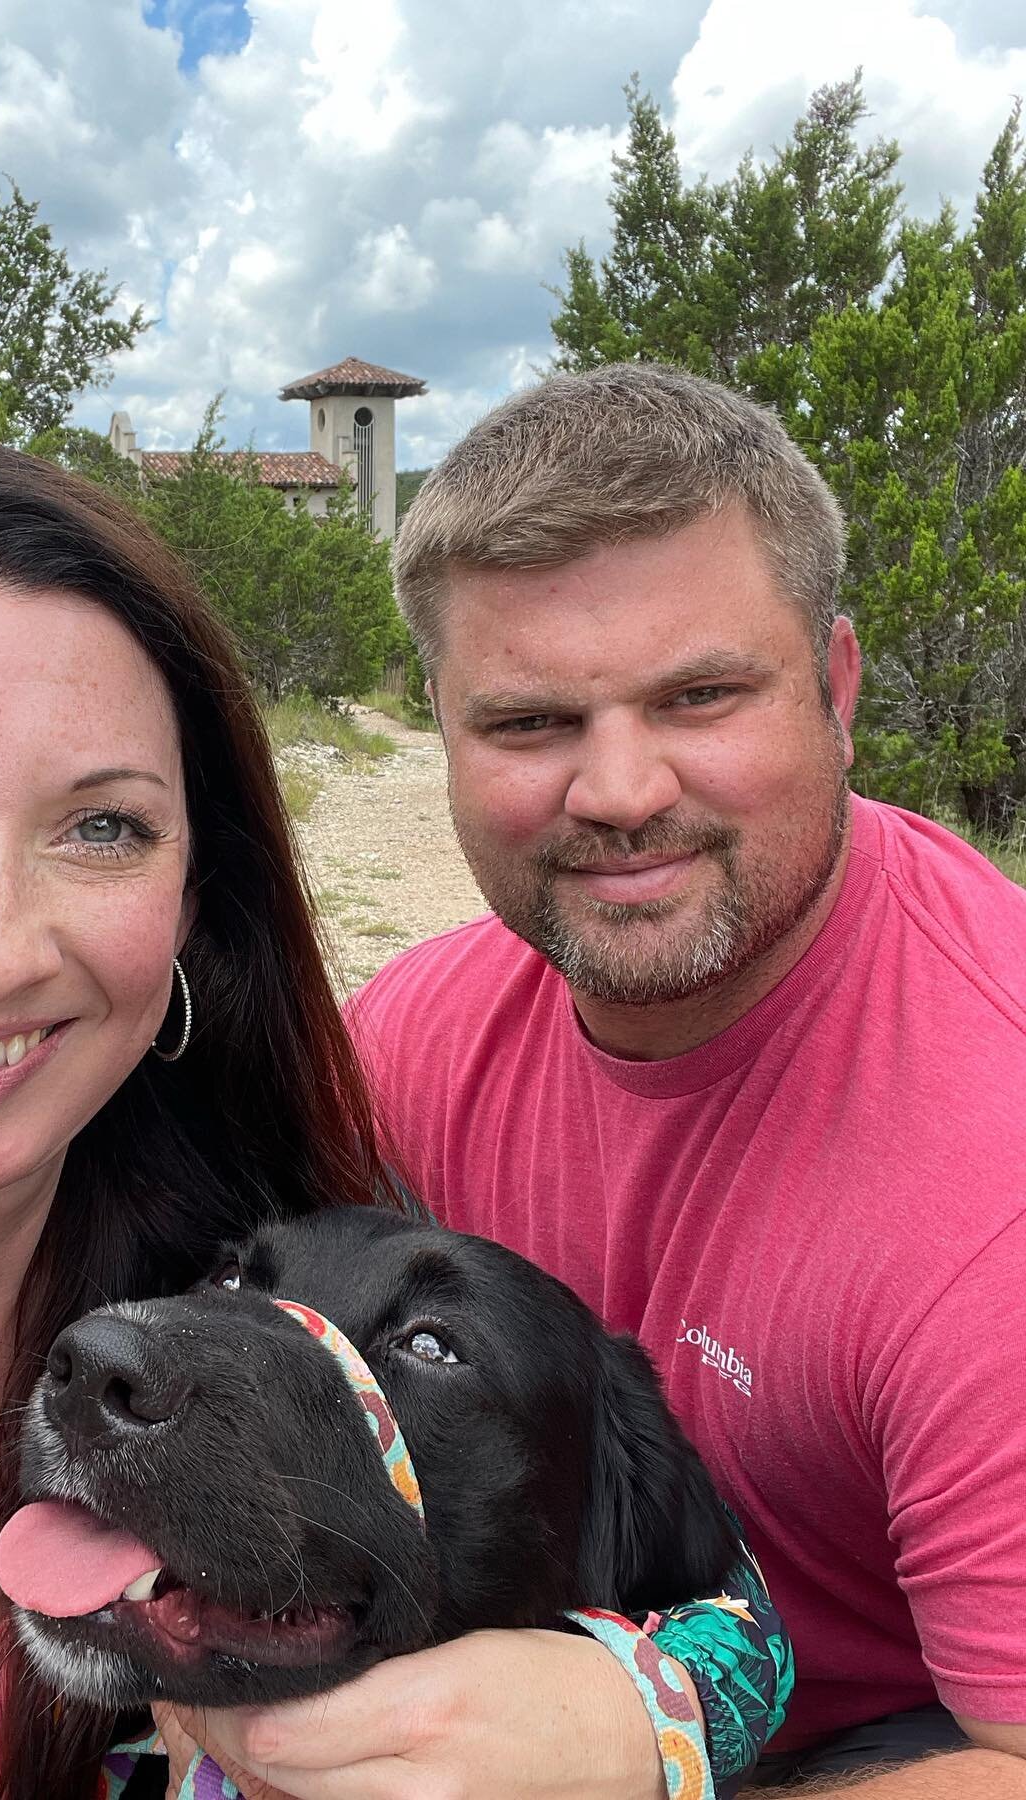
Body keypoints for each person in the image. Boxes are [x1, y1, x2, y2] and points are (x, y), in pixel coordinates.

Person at [0, 437, 783, 1800]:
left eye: (100, 829)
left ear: (192, 912)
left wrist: (646, 1724)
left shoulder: (219, 1235)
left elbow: (725, 1596)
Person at [236, 363, 1023, 1797]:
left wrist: (646, 1759)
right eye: (531, 723)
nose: (619, 790)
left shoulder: (995, 1170)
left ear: (837, 687)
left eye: (701, 695)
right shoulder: (420, 1039)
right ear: (444, 728)